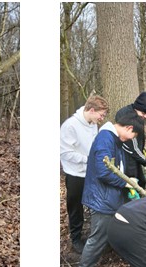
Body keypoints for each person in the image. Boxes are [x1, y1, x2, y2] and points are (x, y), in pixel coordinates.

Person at [76, 107, 144, 267]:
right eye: (133, 135)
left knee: (122, 225)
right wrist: (127, 184)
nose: (131, 138)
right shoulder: (106, 138)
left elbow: (116, 168)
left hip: (111, 196)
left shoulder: (114, 139)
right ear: (129, 128)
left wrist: (128, 184)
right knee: (98, 237)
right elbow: (104, 171)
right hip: (102, 199)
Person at [59, 94, 110, 254]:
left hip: (91, 172)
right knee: (75, 207)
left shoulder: (93, 124)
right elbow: (65, 153)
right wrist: (88, 159)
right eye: (101, 115)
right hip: (75, 174)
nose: (102, 119)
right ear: (92, 110)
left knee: (95, 203)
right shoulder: (70, 126)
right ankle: (75, 239)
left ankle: (97, 235)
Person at [117, 92, 146, 192]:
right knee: (133, 184)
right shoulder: (127, 116)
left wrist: (142, 146)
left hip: (135, 155)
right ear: (137, 108)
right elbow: (131, 145)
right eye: (144, 113)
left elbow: (138, 137)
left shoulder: (138, 115)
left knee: (141, 182)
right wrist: (145, 162)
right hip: (127, 157)